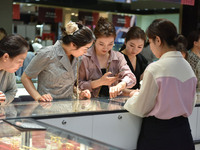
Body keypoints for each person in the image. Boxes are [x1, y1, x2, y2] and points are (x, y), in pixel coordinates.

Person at [124, 19, 197, 150]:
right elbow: (191, 104)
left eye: (150, 42)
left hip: (158, 134)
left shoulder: (155, 68)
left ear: (158, 40)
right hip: (183, 133)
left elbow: (142, 107)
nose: (150, 47)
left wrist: (131, 99)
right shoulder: (188, 67)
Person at [21, 21, 95, 102]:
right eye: (85, 48)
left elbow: (67, 85)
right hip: (48, 108)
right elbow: (25, 77)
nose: (86, 52)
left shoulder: (77, 58)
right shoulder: (47, 54)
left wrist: (80, 93)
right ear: (73, 45)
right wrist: (38, 97)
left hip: (69, 108)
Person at [79, 17, 136, 99]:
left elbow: (131, 77)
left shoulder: (118, 57)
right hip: (90, 105)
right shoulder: (85, 57)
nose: (105, 48)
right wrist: (99, 82)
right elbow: (78, 84)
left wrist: (121, 85)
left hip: (113, 105)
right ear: (94, 40)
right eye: (101, 44)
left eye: (110, 44)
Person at [0, 34, 29, 105]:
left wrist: (4, 99)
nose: (21, 65)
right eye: (19, 61)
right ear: (6, 57)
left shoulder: (9, 70)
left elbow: (12, 91)